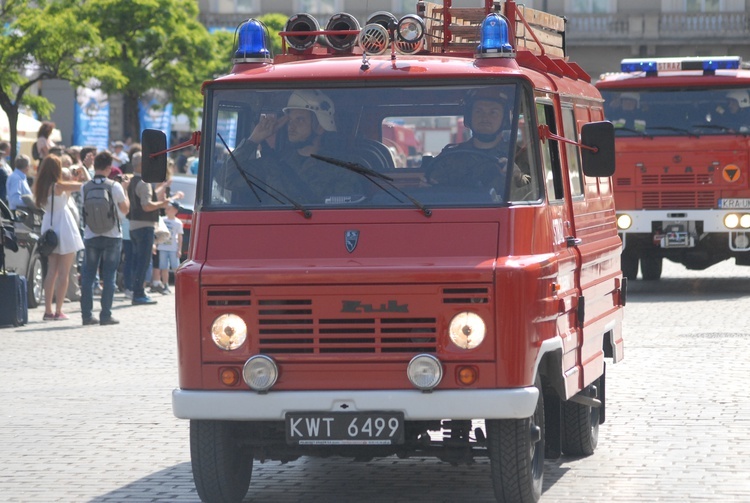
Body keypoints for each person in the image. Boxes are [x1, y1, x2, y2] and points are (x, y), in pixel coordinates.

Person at [227, 89, 364, 203]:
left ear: (320, 127)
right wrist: (254, 139)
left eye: (300, 119)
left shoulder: (341, 168)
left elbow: (345, 215)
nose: (291, 126)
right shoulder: (273, 164)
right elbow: (227, 179)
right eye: (290, 120)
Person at [429, 88, 530, 198]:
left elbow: (534, 196)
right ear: (469, 117)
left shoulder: (518, 156)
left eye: (493, 112)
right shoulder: (450, 158)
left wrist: (516, 176)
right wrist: (426, 186)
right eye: (478, 111)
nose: (485, 118)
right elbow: (433, 193)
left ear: (504, 119)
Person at [32, 155, 90, 321]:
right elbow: (85, 184)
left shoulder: (42, 186)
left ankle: (48, 310)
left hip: (50, 226)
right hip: (64, 226)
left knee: (51, 271)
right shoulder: (58, 185)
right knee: (64, 272)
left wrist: (72, 176)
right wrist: (83, 169)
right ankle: (58, 310)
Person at [80, 151, 130, 326]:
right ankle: (105, 315)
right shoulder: (114, 186)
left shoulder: (85, 187)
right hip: (112, 236)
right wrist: (125, 190)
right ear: (109, 168)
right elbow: (125, 210)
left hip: (91, 235)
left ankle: (86, 315)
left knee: (88, 276)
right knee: (109, 276)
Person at [127, 151, 182, 305]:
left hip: (133, 225)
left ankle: (136, 291)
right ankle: (138, 294)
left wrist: (163, 189)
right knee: (143, 262)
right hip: (144, 226)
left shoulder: (133, 181)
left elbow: (147, 199)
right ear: (142, 164)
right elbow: (147, 206)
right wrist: (165, 203)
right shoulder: (143, 182)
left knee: (138, 261)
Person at [152, 201, 183, 295]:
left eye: (169, 208)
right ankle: (165, 285)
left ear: (175, 210)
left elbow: (180, 236)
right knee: (164, 267)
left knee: (175, 267)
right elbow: (156, 232)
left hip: (173, 248)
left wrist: (179, 249)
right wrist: (155, 244)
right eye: (166, 208)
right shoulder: (162, 220)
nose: (166, 210)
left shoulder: (178, 222)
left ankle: (179, 286)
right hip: (162, 247)